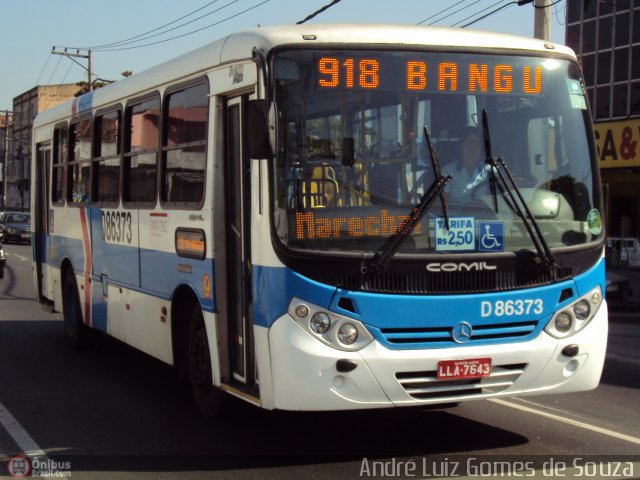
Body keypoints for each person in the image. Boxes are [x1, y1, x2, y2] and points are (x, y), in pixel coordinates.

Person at [442, 128, 490, 202]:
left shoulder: (488, 169)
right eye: (469, 142)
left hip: (480, 211)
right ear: (460, 146)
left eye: (477, 143)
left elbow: (507, 186)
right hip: (455, 212)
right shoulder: (448, 170)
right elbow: (442, 200)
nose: (473, 147)